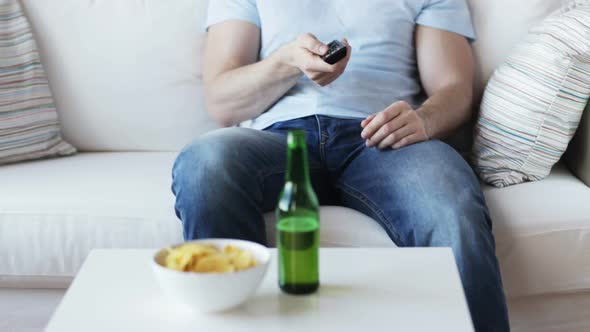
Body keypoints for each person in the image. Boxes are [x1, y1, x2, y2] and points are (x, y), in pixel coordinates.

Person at [172, 1, 509, 330]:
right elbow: (221, 101)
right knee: (205, 164)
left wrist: (424, 119)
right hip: (277, 139)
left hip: (384, 138)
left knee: (450, 204)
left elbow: (454, 87)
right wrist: (287, 62)